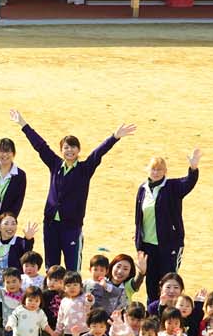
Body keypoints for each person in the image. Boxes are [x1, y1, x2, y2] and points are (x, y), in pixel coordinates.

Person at [11, 109, 137, 271]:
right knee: (52, 268)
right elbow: (40, 146)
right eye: (66, 148)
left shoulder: (85, 169)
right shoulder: (55, 164)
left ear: (78, 150)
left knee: (72, 269)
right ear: (61, 150)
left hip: (72, 226)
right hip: (50, 224)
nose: (69, 150)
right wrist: (23, 124)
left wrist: (114, 137)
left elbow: (98, 153)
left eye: (73, 147)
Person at [135, 150, 201, 303]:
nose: (156, 172)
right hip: (148, 246)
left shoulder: (172, 186)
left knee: (169, 284)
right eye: (153, 169)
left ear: (165, 171)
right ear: (148, 170)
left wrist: (193, 168)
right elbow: (138, 217)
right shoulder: (142, 189)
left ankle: (170, 316)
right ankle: (152, 316)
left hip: (168, 245)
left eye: (160, 169)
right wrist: (138, 238)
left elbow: (189, 182)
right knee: (151, 284)